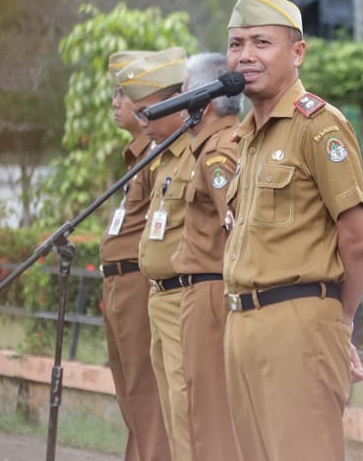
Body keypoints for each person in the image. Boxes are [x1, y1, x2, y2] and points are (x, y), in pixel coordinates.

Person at [222, 0, 363, 461]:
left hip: (298, 324)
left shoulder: (319, 125)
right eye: (236, 44)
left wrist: (340, 319)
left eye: (261, 43)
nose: (246, 55)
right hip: (241, 323)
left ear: (298, 51)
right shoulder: (246, 136)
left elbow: (359, 239)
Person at [119, 47, 194, 461]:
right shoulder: (161, 156)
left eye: (147, 111)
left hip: (186, 297)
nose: (140, 121)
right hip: (157, 295)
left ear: (177, 102)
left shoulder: (200, 154)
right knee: (164, 408)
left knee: (186, 415)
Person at [99, 51, 171, 461]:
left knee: (145, 395)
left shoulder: (158, 153)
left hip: (139, 284)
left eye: (125, 93)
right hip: (120, 285)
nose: (116, 102)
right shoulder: (137, 154)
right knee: (131, 395)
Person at [170, 52, 241, 461]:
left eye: (183, 91)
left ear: (205, 102)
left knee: (210, 410)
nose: (178, 99)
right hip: (206, 290)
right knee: (201, 405)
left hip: (212, 292)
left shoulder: (220, 152)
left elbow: (235, 225)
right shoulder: (212, 146)